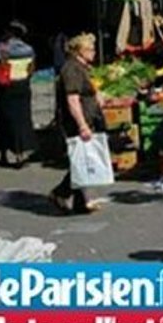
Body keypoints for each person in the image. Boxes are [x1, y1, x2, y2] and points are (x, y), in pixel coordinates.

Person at [49, 33, 103, 214]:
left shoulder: (83, 68)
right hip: (76, 122)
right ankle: (60, 192)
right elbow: (72, 99)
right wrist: (82, 125)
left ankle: (81, 202)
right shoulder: (71, 69)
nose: (94, 52)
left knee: (83, 160)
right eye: (90, 49)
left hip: (88, 118)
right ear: (79, 51)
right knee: (80, 161)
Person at [0, 21, 37, 168]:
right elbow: (32, 67)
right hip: (23, 86)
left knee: (3, 120)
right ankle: (20, 154)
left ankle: (4, 153)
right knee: (22, 121)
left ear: (9, 33)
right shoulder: (28, 48)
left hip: (5, 88)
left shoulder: (1, 48)